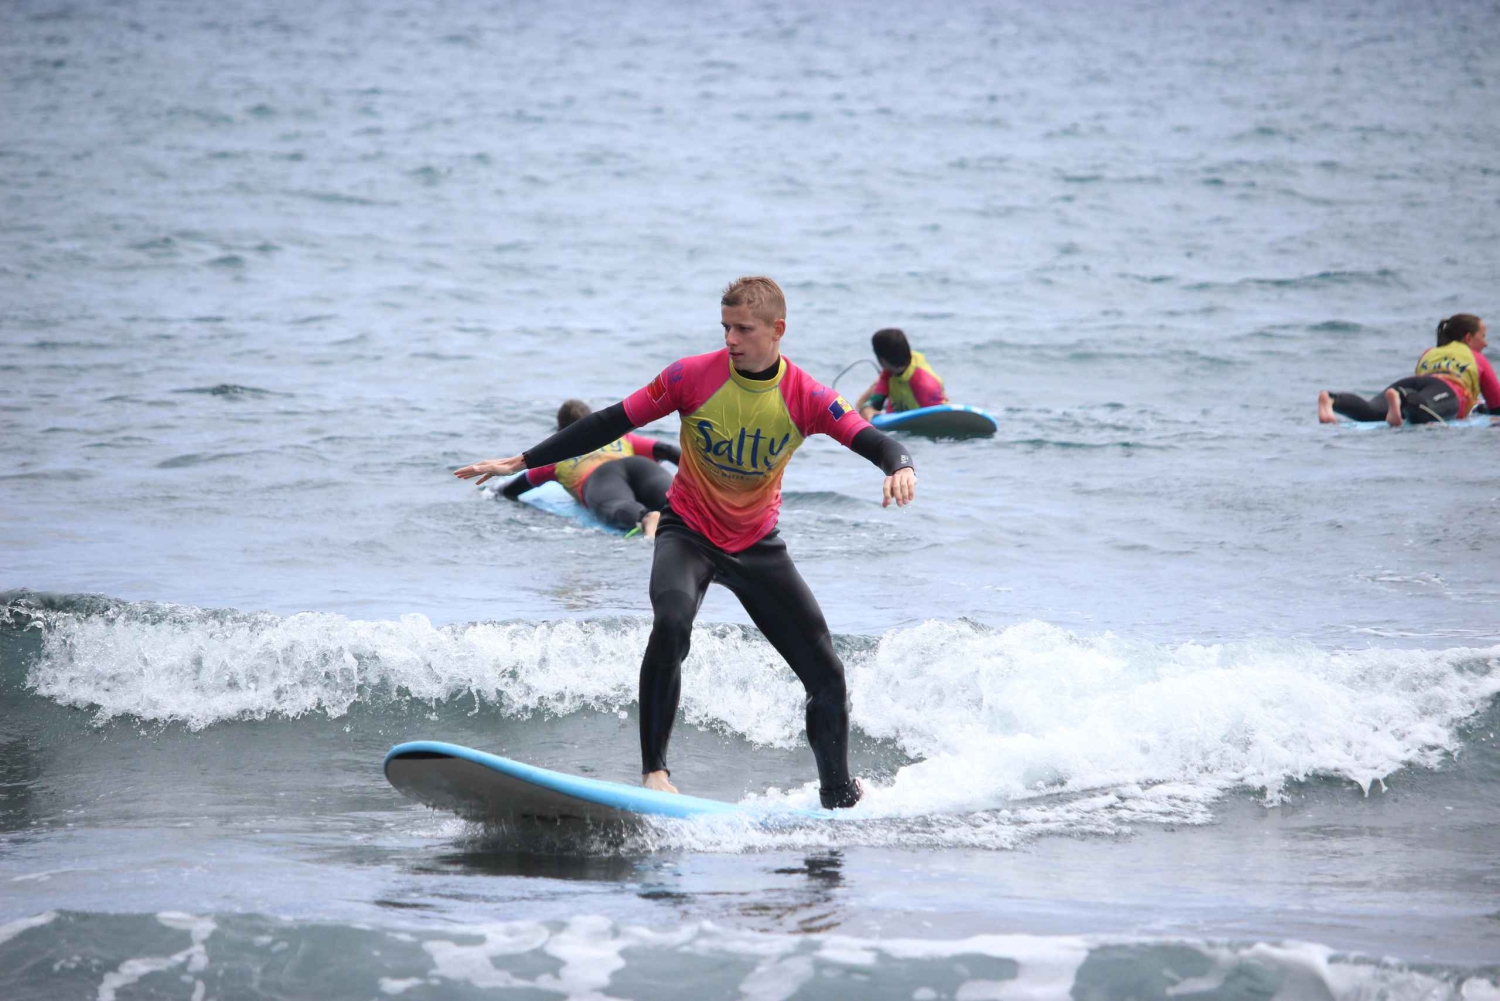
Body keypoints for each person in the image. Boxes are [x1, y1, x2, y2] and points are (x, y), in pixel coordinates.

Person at [456, 277, 917, 809]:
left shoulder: (807, 397)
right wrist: (524, 460)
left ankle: (838, 797)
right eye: (725, 328)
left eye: (744, 329)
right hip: (688, 531)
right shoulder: (690, 376)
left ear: (777, 330)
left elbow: (874, 438)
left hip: (756, 545)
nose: (731, 339)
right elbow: (609, 420)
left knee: (827, 675)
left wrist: (898, 466)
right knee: (672, 623)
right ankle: (655, 772)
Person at [499, 399, 680, 538]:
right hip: (640, 466)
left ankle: (646, 518)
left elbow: (516, 487)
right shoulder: (620, 437)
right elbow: (667, 450)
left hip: (600, 478)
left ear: (560, 430)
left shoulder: (554, 458)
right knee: (676, 501)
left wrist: (496, 491)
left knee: (616, 506)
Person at [1318, 314, 1498, 425]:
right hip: (1444, 388)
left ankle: (1332, 399)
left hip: (1412, 383)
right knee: (1425, 411)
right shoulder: (1477, 358)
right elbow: (1497, 403)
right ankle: (1402, 398)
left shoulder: (1431, 352)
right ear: (1468, 338)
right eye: (1482, 336)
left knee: (1371, 411)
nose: (1486, 342)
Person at [855, 328, 948, 419]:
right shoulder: (889, 372)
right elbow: (874, 403)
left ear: (882, 360)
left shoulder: (925, 384)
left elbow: (942, 417)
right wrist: (866, 408)